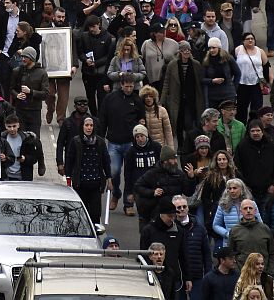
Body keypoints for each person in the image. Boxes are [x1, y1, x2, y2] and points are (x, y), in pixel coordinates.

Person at [98, 72, 146, 212]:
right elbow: (103, 118)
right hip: (113, 141)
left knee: (130, 173)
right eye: (127, 86)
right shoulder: (110, 99)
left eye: (131, 86)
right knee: (114, 171)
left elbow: (142, 120)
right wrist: (101, 137)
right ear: (121, 85)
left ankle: (128, 203)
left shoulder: (137, 100)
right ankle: (116, 193)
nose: (129, 89)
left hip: (131, 143)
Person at [65, 116, 112, 224]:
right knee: (82, 213)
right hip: (80, 184)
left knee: (95, 213)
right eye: (86, 125)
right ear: (82, 127)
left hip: (96, 184)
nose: (89, 128)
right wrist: (68, 178)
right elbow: (70, 160)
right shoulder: (75, 141)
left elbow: (106, 160)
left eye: (91, 125)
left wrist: (109, 178)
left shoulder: (100, 142)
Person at [140, 198, 189, 297]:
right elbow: (143, 255)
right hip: (154, 276)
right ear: (161, 215)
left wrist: (187, 278)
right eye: (169, 216)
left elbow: (183, 256)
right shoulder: (148, 231)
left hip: (174, 277)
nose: (172, 219)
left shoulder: (179, 231)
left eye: (174, 216)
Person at [234, 120, 274, 208]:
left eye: (258, 130)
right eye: (253, 131)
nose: (255, 133)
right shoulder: (242, 147)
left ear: (262, 131)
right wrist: (245, 186)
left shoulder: (272, 145)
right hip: (249, 191)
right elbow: (238, 168)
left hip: (268, 190)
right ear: (249, 132)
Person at [175, 195, 212, 300]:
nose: (182, 209)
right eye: (178, 207)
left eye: (184, 206)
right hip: (179, 276)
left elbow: (206, 253)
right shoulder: (171, 229)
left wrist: (208, 274)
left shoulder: (199, 228)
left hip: (197, 275)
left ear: (188, 207)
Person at [9, 46, 49, 138]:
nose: (23, 59)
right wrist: (17, 95)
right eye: (22, 57)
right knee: (20, 138)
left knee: (34, 138)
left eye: (25, 57)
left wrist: (30, 92)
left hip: (34, 111)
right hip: (20, 110)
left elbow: (45, 94)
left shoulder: (42, 73)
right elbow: (11, 89)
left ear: (32, 58)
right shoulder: (17, 71)